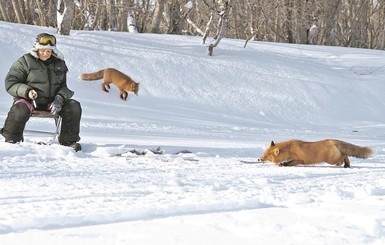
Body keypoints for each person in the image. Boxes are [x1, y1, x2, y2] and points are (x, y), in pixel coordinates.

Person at [1, 33, 82, 151]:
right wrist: (27, 91)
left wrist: (60, 97)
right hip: (29, 101)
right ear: (36, 48)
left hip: (52, 102)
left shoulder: (59, 63)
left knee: (74, 105)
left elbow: (64, 86)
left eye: (49, 51)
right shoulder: (24, 61)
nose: (46, 53)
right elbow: (10, 82)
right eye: (43, 50)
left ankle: (69, 141)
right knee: (19, 109)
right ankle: (11, 139)